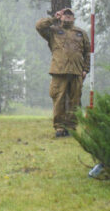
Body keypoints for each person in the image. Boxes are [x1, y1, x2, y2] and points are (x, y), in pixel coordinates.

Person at [36, 8, 90, 136]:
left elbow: (88, 52)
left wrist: (85, 69)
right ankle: (59, 127)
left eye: (70, 15)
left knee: (75, 100)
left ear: (74, 18)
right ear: (61, 17)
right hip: (59, 71)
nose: (67, 17)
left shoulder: (81, 33)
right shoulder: (53, 32)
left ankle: (71, 127)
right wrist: (53, 18)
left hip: (76, 72)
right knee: (58, 99)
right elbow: (39, 26)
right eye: (65, 15)